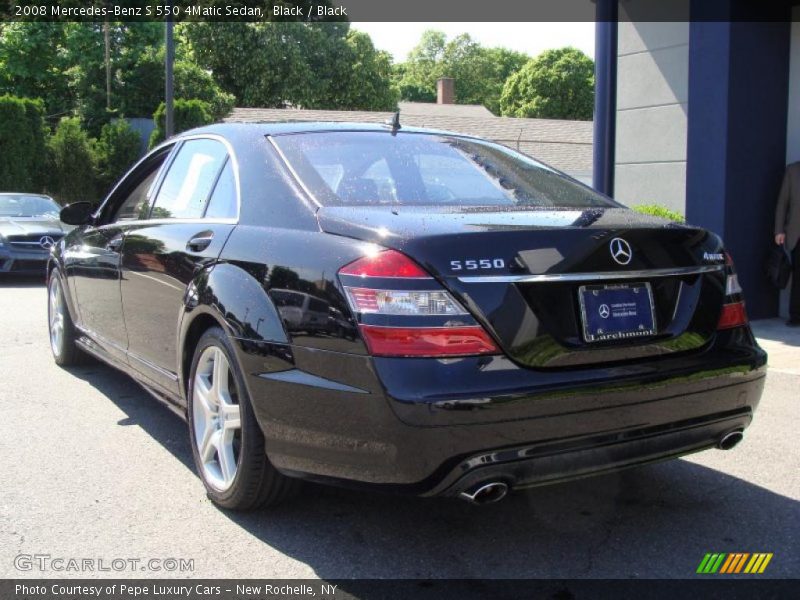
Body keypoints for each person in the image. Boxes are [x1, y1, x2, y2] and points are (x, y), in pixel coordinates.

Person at [775, 162, 800, 326]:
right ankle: (796, 315)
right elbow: (782, 202)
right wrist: (779, 230)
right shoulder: (793, 170)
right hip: (796, 233)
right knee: (798, 275)